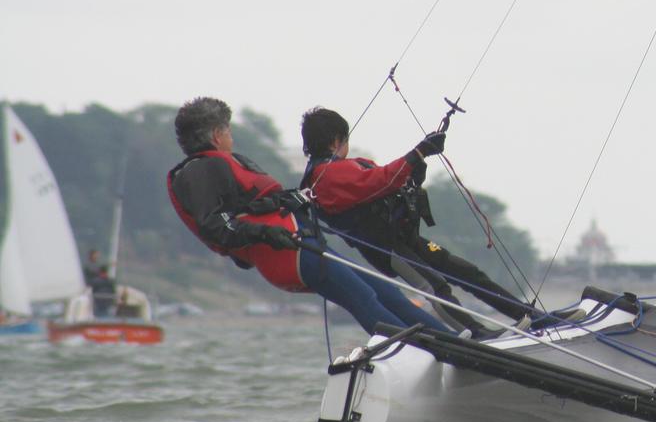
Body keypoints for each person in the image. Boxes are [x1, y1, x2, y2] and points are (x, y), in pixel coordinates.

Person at [166, 97, 452, 337]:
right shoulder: (200, 170)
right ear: (217, 135)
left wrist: (291, 199)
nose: (231, 138)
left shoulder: (218, 165)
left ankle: (448, 341)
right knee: (363, 298)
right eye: (228, 131)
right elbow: (216, 225)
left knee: (387, 294)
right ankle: (434, 350)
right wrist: (266, 233)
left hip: (303, 243)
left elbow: (252, 204)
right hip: (286, 253)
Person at [299, 107, 564, 334]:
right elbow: (381, 180)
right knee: (433, 286)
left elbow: (390, 181)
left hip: (406, 239)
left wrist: (417, 169)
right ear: (335, 141)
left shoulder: (351, 165)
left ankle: (531, 316)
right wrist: (419, 152)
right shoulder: (327, 175)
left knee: (467, 272)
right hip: (387, 249)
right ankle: (476, 335)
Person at [82, 249, 117, 317]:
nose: (96, 256)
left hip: (98, 292)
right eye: (95, 255)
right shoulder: (88, 266)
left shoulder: (107, 280)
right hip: (92, 287)